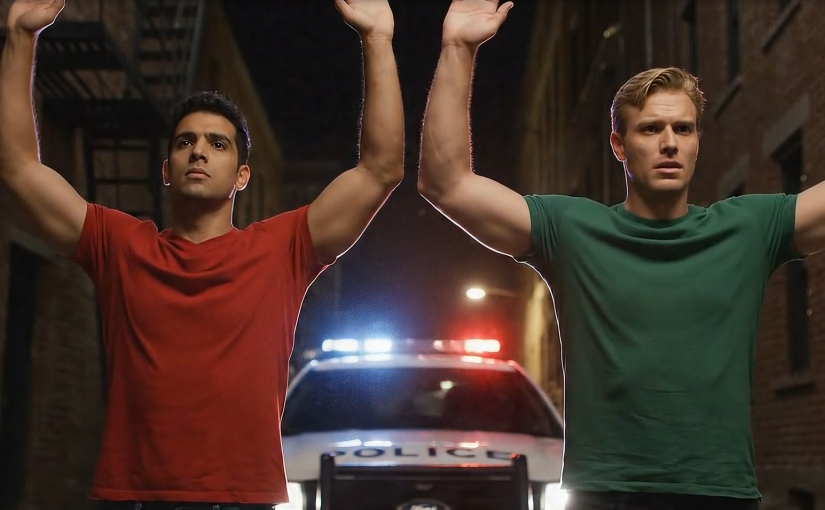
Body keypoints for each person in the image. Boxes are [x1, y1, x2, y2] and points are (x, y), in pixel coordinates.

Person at [417, 1, 825, 509]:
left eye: (683, 129)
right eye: (651, 129)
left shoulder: (747, 228)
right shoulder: (572, 230)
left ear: (698, 141)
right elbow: (446, 183)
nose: (669, 143)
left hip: (718, 494)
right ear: (619, 145)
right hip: (605, 494)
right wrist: (458, 48)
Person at [0, 0, 403, 507]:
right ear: (166, 168)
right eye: (186, 141)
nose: (198, 151)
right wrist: (19, 38)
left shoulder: (283, 248)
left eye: (218, 144)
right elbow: (17, 165)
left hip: (241, 498)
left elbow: (381, 169)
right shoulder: (119, 245)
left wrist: (378, 39)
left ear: (241, 176)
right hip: (139, 498)